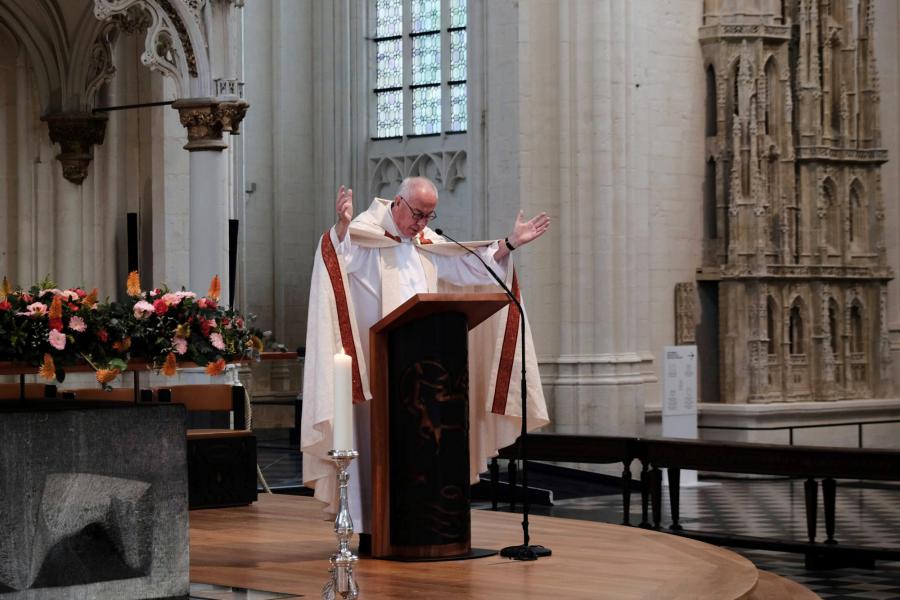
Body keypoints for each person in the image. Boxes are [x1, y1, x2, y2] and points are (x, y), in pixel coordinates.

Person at [301, 176, 551, 538]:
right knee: (375, 453)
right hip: (379, 370)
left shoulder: (427, 243)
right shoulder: (364, 234)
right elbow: (337, 259)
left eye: (429, 216)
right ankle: (377, 527)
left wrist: (509, 243)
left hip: (427, 371)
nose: (422, 224)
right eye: (418, 214)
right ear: (397, 204)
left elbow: (469, 269)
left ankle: (423, 523)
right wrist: (340, 227)